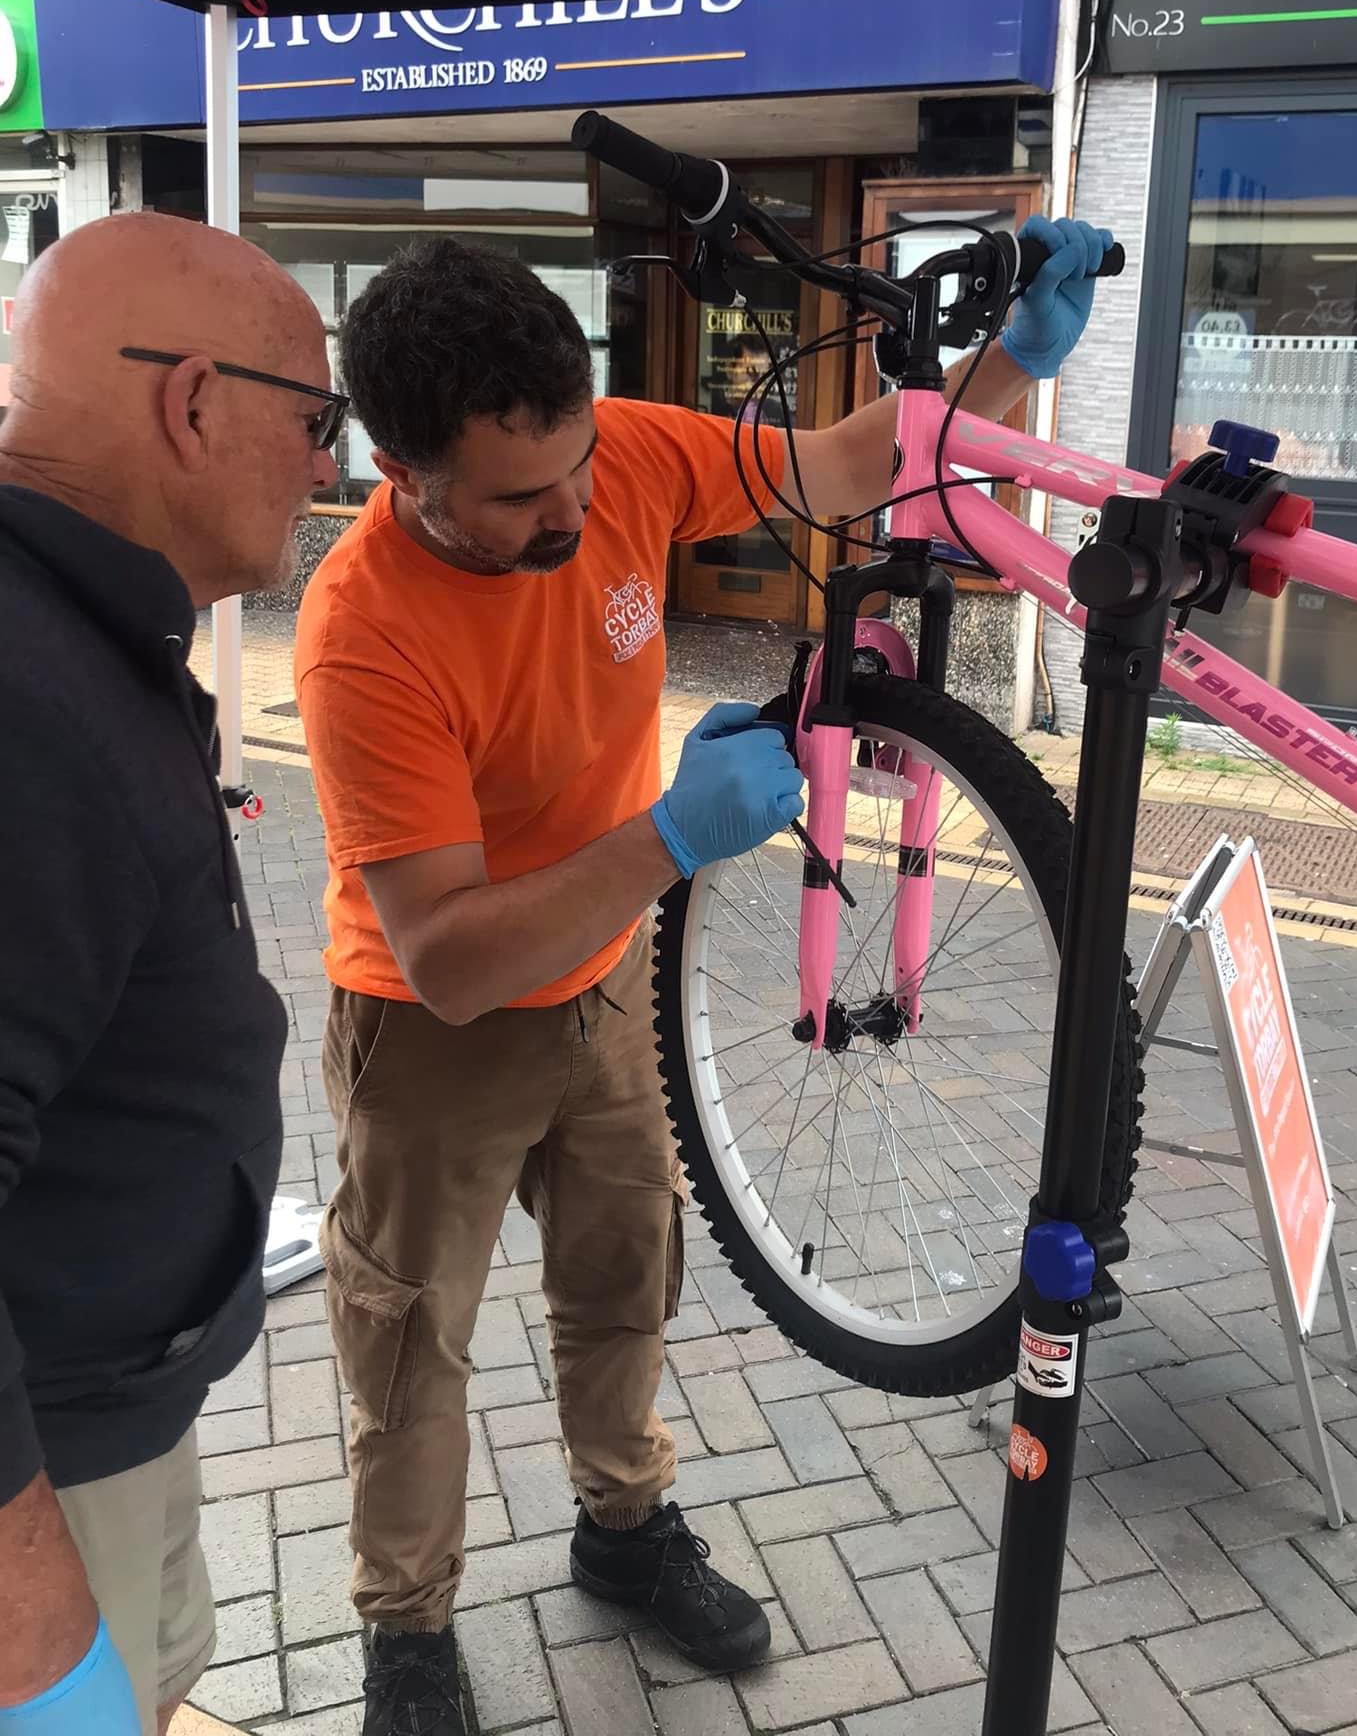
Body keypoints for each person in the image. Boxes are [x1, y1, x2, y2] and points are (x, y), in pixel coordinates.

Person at [297, 218, 1111, 1736]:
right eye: (520, 498)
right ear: (403, 472)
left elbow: (850, 465)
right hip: (432, 1040)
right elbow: (452, 956)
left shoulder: (624, 456)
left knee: (624, 1280)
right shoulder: (359, 636)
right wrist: (672, 836)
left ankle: (622, 1532)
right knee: (414, 1337)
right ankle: (404, 1626)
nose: (574, 510)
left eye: (580, 467)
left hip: (602, 991)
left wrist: (1009, 366)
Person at [0, 212, 341, 1736]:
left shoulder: (70, 619)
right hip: (46, 1469)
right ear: (192, 403)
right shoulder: (22, 699)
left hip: (111, 1397)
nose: (329, 469)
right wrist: (28, 1628)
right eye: (315, 421)